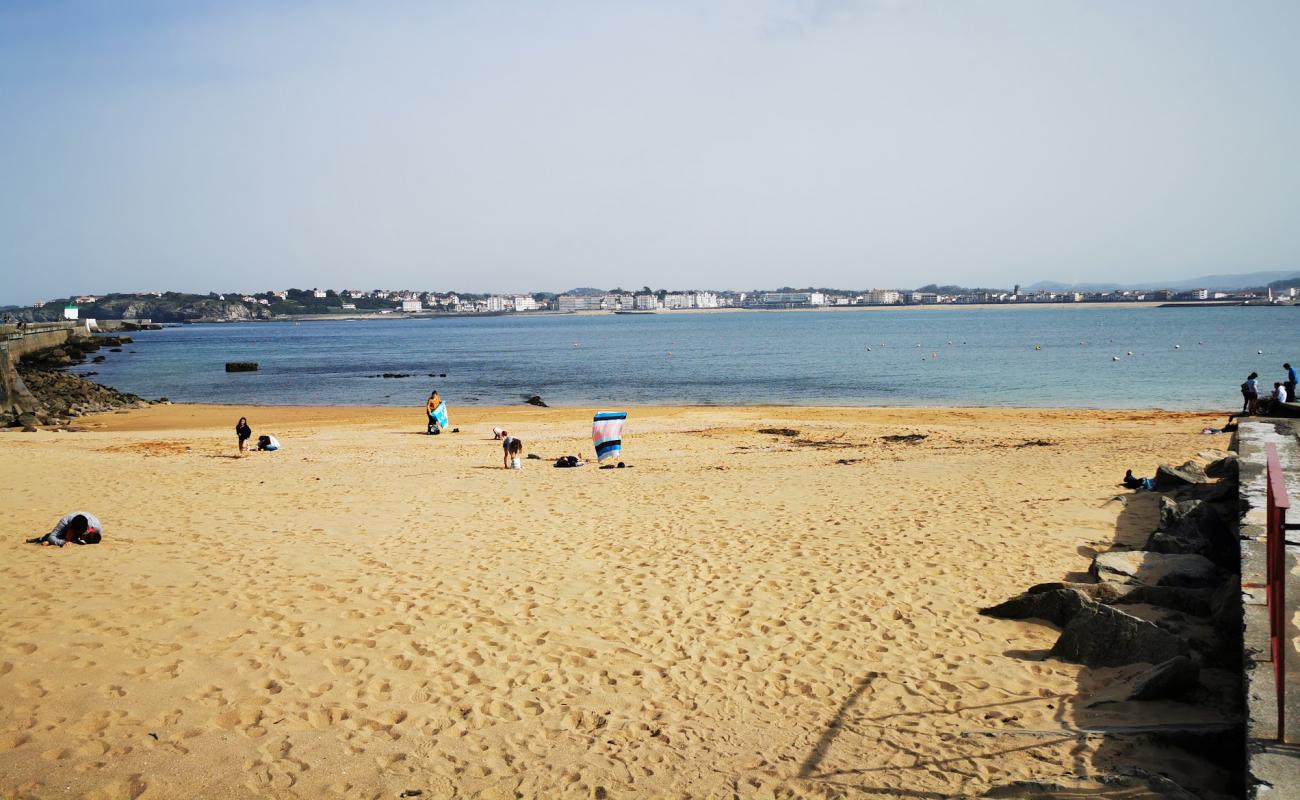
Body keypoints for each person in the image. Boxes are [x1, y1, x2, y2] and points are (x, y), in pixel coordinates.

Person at [26, 512, 103, 547]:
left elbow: (97, 537)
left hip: (87, 527)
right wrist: (63, 542)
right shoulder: (65, 521)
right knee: (53, 537)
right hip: (68, 528)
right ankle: (40, 539)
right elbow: (52, 537)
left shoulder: (96, 526)